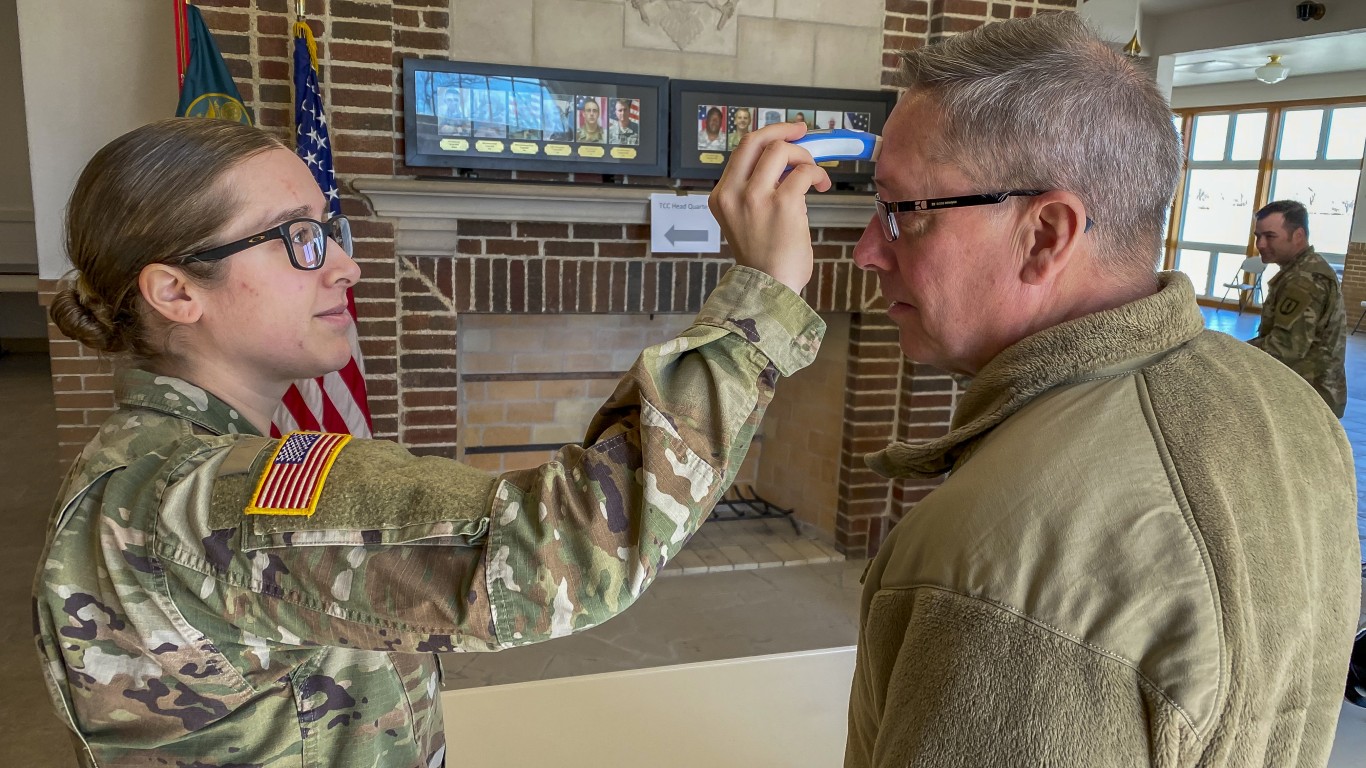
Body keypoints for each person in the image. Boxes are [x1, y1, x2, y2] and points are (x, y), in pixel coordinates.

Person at [33, 117, 826, 767]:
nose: (344, 265)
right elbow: (572, 549)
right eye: (298, 238)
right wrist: (765, 296)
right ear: (175, 290)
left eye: (330, 229)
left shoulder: (144, 461)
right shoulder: (219, 497)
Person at [714, 13, 1359, 767]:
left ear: (1047, 234)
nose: (865, 251)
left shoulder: (994, 563)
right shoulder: (1293, 412)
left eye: (900, 212)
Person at [1248, 199, 1347, 417]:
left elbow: (1286, 348)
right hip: (1302, 392)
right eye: (1258, 236)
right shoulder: (1299, 270)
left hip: (1307, 398)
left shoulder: (1304, 280)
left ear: (1298, 236)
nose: (1261, 244)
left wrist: (1228, 350)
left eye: (1270, 236)